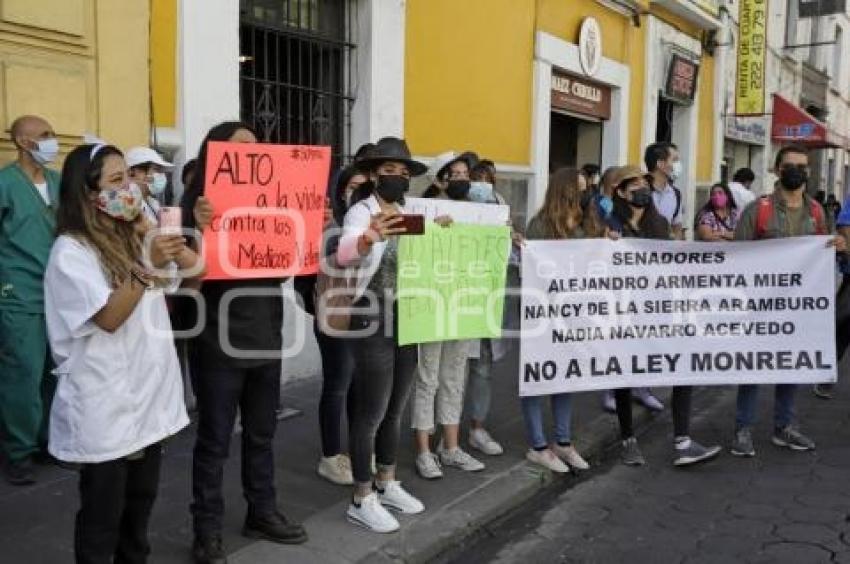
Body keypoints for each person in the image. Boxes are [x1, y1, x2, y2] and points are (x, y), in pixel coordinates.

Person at [45, 143, 198, 562]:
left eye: (129, 177)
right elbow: (110, 317)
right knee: (102, 518)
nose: (130, 187)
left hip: (146, 401)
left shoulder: (132, 237)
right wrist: (145, 263)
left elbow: (193, 276)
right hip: (104, 404)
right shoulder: (71, 252)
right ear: (88, 194)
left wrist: (160, 235)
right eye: (117, 180)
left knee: (139, 511)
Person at [181, 122, 308, 563]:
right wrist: (198, 230)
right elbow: (180, 283)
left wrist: (309, 230)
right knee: (214, 440)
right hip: (217, 341)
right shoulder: (191, 208)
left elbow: (285, 266)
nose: (252, 156)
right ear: (216, 155)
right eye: (240, 149)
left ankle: (262, 510)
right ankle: (207, 530)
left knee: (262, 433)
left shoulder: (271, 203)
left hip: (265, 338)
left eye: (257, 149)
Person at [336, 136, 437, 533]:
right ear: (375, 175)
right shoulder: (362, 212)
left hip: (408, 314)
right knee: (371, 411)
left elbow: (430, 252)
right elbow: (345, 253)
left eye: (402, 172)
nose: (397, 178)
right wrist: (367, 238)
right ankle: (362, 497)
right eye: (389, 172)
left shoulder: (412, 212)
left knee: (396, 406)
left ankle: (387, 480)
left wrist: (441, 231)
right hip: (371, 315)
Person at [730, 144, 846, 457]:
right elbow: (737, 256)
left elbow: (826, 252)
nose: (797, 170)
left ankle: (784, 427)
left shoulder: (817, 212)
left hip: (798, 308)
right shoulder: (759, 209)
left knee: (791, 366)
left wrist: (836, 244)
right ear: (777, 170)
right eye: (790, 165)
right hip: (760, 306)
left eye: (802, 166)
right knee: (752, 368)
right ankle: (743, 429)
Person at [609, 165, 722, 467]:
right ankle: (628, 439)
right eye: (634, 187)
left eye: (643, 185)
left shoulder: (657, 223)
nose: (641, 191)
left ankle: (683, 441)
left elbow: (672, 258)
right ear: (620, 192)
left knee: (682, 365)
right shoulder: (608, 224)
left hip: (659, 308)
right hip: (623, 312)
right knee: (623, 372)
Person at [412, 151, 485, 479]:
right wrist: (429, 227)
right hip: (430, 305)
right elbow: (400, 235)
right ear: (439, 180)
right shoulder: (419, 210)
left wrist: (504, 234)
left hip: (463, 304)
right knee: (428, 378)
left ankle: (451, 447)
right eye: (453, 174)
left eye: (464, 174)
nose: (461, 179)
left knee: (455, 377)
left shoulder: (475, 212)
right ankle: (424, 451)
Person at [522, 167, 598, 473]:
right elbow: (531, 270)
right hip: (542, 313)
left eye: (585, 189)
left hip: (574, 313)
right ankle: (538, 445)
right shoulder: (539, 225)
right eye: (578, 189)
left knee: (565, 376)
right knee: (536, 377)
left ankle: (563, 442)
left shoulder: (585, 223)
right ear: (563, 191)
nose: (583, 195)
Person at [0, 115, 61, 485]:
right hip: (18, 294)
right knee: (22, 373)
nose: (53, 141)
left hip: (58, 295)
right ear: (23, 142)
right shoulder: (5, 184)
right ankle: (18, 452)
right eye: (45, 135)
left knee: (54, 373)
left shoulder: (57, 183)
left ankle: (46, 441)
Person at [464, 160, 506, 457]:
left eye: (486, 180)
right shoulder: (451, 207)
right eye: (474, 180)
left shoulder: (500, 205)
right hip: (458, 298)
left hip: (487, 297)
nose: (482, 185)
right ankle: (446, 434)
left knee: (483, 367)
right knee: (449, 373)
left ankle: (477, 427)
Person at [645, 142, 685, 240]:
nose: (678, 164)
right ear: (660, 164)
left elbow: (677, 227)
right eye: (674, 160)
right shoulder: (639, 189)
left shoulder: (676, 194)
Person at [126, 146, 174, 223]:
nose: (161, 175)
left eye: (161, 171)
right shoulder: (127, 204)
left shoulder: (153, 203)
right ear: (133, 172)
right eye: (156, 169)